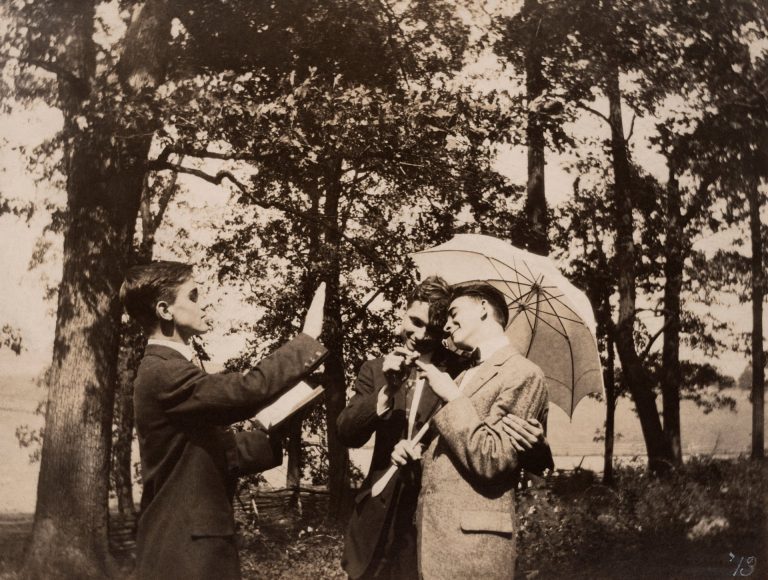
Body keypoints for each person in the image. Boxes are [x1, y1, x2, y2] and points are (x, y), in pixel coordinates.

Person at [120, 261, 327, 580]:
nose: (203, 304)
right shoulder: (164, 372)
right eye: (193, 296)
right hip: (186, 555)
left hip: (189, 548)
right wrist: (307, 339)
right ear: (165, 310)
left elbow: (212, 452)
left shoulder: (168, 369)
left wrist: (276, 425)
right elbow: (245, 391)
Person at [338, 278, 551, 580]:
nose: (419, 334)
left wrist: (538, 451)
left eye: (433, 328)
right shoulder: (377, 369)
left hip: (430, 533)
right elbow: (347, 432)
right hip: (374, 526)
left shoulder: (460, 371)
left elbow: (498, 442)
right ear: (404, 312)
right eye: (414, 321)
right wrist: (386, 394)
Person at [412, 282, 550, 580]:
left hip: (475, 551)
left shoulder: (524, 373)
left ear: (484, 308)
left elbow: (494, 459)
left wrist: (453, 398)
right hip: (434, 545)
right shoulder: (462, 374)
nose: (446, 325)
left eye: (453, 313)